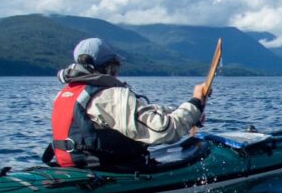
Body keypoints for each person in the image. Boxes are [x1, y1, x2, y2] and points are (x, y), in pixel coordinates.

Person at [45, 37, 209, 170]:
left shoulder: (68, 93)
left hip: (73, 167)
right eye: (116, 66)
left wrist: (189, 114)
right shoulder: (108, 96)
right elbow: (164, 130)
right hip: (107, 171)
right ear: (109, 67)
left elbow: (142, 114)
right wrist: (195, 102)